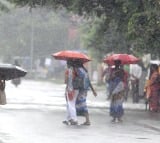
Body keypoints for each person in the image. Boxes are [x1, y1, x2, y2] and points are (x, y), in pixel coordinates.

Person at [73, 60, 97, 125]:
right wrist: (93, 90)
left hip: (80, 90)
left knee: (80, 105)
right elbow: (88, 81)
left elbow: (76, 79)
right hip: (84, 90)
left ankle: (83, 120)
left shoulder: (78, 70)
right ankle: (85, 120)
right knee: (82, 104)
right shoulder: (84, 71)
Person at [62, 60, 79, 125]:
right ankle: (68, 119)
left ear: (68, 64)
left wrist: (66, 78)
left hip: (70, 89)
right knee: (70, 104)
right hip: (76, 89)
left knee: (71, 104)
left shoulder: (68, 71)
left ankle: (74, 119)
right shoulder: (76, 70)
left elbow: (65, 81)